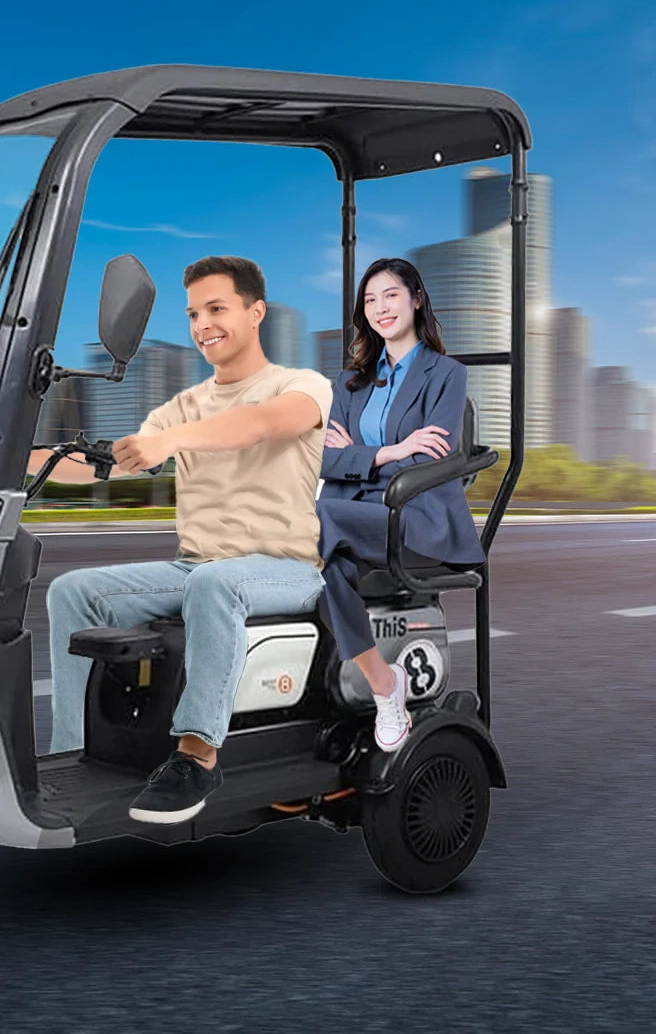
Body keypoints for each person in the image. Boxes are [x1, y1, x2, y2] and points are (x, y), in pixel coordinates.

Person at [27, 256, 332, 825]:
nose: (202, 324)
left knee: (217, 584)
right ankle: (75, 752)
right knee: (72, 592)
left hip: (283, 568)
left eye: (216, 308)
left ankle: (197, 755)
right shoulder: (183, 406)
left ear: (255, 311)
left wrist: (170, 442)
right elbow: (109, 464)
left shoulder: (301, 385)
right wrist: (4, 462)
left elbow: (263, 424)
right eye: (193, 313)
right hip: (196, 567)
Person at [316, 257, 485, 752]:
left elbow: (434, 457)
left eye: (390, 295)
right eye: (369, 300)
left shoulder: (446, 374)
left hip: (414, 518)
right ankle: (384, 684)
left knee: (313, 519)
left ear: (415, 299)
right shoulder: (349, 383)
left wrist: (357, 458)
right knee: (328, 568)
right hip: (357, 518)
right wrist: (392, 450)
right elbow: (323, 460)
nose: (380, 307)